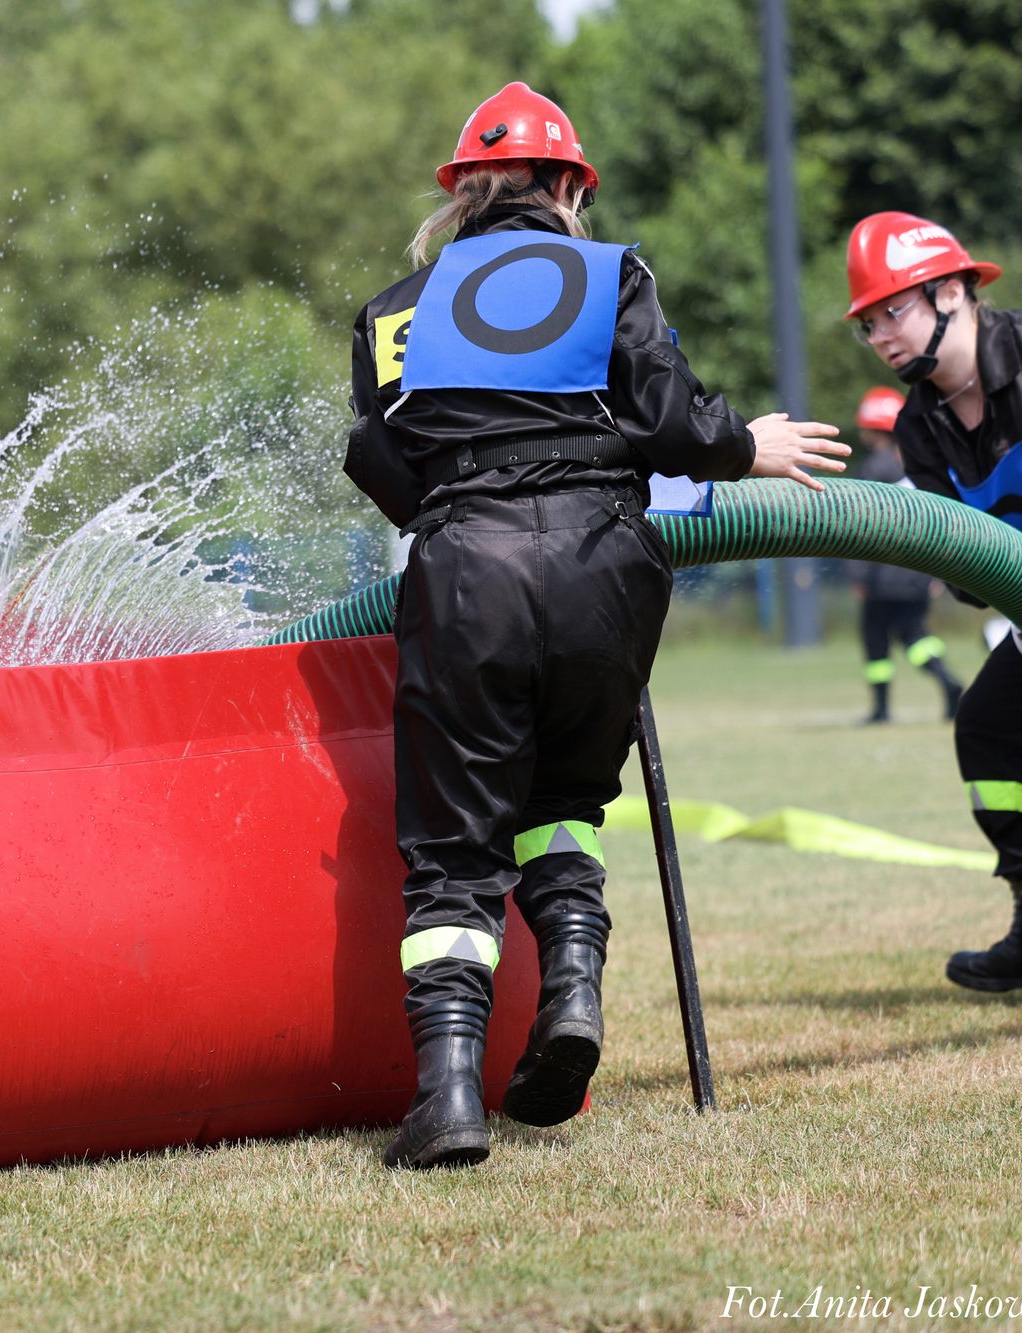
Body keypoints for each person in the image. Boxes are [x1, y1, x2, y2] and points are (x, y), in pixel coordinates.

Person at [343, 82, 847, 1169]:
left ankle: (447, 1099)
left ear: (462, 194)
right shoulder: (607, 270)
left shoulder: (394, 309)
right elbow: (666, 417)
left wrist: (450, 512)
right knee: (565, 800)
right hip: (604, 563)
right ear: (569, 185)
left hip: (465, 567)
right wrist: (735, 445)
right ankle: (570, 986)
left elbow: (374, 456)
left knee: (451, 849)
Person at [845, 210, 1022, 1001]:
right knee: (993, 729)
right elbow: (964, 566)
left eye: (895, 309)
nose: (883, 335)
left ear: (954, 290)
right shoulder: (919, 429)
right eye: (868, 323)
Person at [846, 385, 964, 723]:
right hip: (916, 572)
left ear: (871, 428)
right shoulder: (917, 467)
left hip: (883, 575)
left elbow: (858, 525)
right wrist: (937, 572)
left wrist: (857, 576)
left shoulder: (874, 468)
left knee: (875, 639)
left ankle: (881, 709)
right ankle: (947, 680)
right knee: (914, 633)